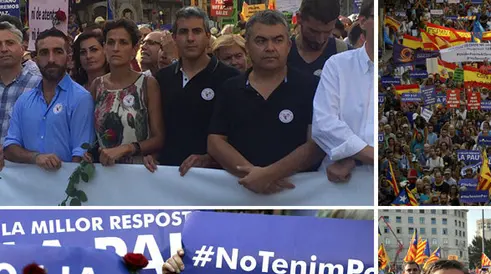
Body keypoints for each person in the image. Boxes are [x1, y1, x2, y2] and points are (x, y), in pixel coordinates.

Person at [208, 10, 325, 195]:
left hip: (299, 194)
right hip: (240, 193)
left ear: (289, 45)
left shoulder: (312, 86)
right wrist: (253, 175)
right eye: (261, 41)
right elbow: (215, 141)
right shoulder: (230, 89)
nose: (270, 48)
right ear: (247, 46)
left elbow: (316, 144)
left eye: (278, 40)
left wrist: (268, 175)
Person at [155, 7, 239, 174]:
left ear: (208, 36)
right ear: (174, 38)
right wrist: (151, 154)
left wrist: (211, 158)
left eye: (197, 31)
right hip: (167, 178)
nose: (190, 38)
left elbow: (240, 133)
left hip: (214, 178)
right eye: (184, 32)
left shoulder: (231, 78)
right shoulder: (162, 78)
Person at [3, 28, 93, 170]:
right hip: (27, 189)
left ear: (68, 57)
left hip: (66, 188)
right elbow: (10, 148)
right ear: (36, 58)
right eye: (44, 53)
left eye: (58, 52)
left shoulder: (81, 98)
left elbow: (81, 153)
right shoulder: (24, 101)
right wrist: (35, 157)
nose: (51, 59)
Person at [312, 0, 374, 183]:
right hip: (344, 185)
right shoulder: (338, 65)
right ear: (362, 21)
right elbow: (324, 124)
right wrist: (366, 155)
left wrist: (354, 156)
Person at [91, 19, 164, 167]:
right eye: (110, 42)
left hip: (138, 170)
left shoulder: (147, 84)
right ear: (104, 47)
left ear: (134, 49)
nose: (116, 48)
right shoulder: (97, 85)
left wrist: (128, 148)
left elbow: (159, 138)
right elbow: (91, 135)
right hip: (105, 171)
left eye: (123, 42)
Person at [0, 21, 41, 171]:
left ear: (22, 48)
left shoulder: (39, 86)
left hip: (24, 173)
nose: (3, 49)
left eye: (9, 43)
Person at [289, 0, 348, 77]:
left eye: (327, 32)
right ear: (299, 18)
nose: (320, 40)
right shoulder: (281, 53)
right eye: (313, 31)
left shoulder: (346, 55)